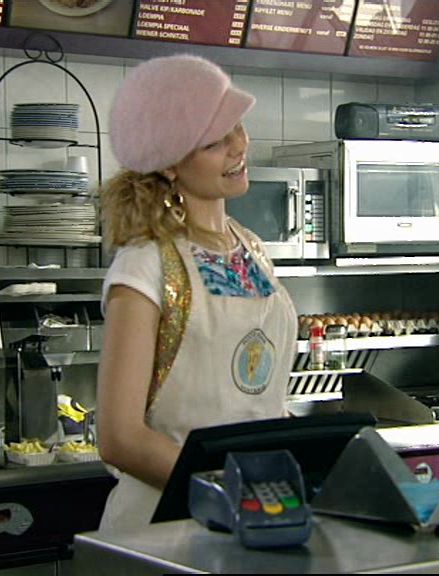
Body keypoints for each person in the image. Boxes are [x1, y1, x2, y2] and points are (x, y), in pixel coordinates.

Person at [95, 54, 298, 531]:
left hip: (254, 518)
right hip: (167, 527)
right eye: (215, 142)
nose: (238, 146)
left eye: (237, 127)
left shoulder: (252, 250)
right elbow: (120, 438)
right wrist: (230, 490)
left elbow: (257, 402)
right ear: (169, 164)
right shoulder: (145, 264)